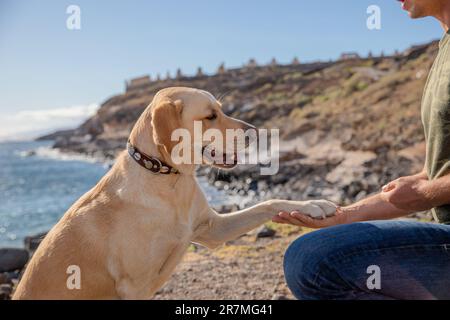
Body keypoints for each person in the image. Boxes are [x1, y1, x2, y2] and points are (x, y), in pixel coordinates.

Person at [274, 0, 450, 300]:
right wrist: (344, 216)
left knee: (314, 260)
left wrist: (424, 194)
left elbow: (430, 190)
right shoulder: (443, 49)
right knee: (310, 255)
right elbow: (435, 175)